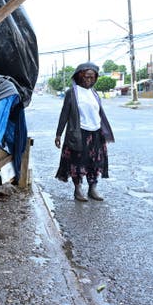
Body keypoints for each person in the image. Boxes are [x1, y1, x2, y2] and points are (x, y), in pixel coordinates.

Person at [55, 62, 114, 201]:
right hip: (79, 133)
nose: (89, 80)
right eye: (87, 77)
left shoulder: (94, 93)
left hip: (96, 134)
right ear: (80, 76)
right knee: (78, 162)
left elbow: (98, 113)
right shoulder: (72, 93)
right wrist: (58, 134)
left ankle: (92, 189)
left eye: (92, 78)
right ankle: (78, 190)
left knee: (95, 162)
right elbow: (64, 114)